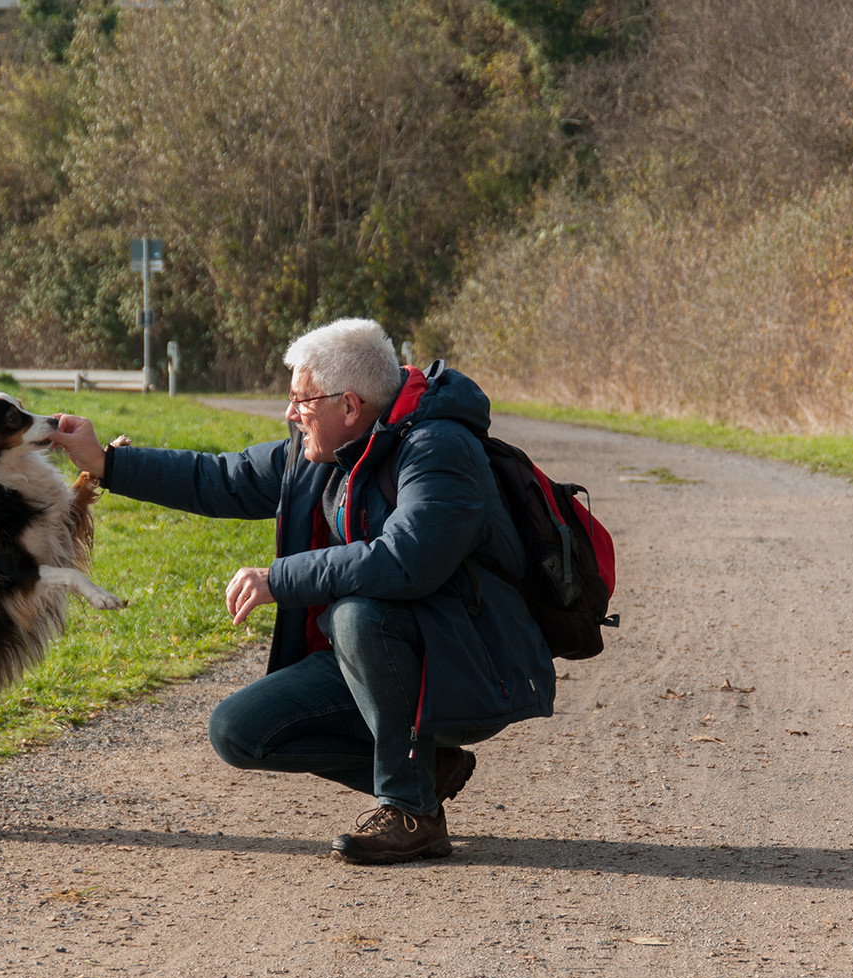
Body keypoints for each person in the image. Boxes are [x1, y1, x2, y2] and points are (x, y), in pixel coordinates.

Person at [50, 318, 554, 863]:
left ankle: (413, 810)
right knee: (239, 731)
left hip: (466, 664)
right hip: (387, 658)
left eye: (300, 400)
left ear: (350, 407)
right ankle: (426, 767)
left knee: (354, 617)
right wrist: (106, 463)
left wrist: (278, 579)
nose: (290, 414)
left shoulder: (439, 450)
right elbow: (221, 477)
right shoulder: (319, 449)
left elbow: (406, 561)